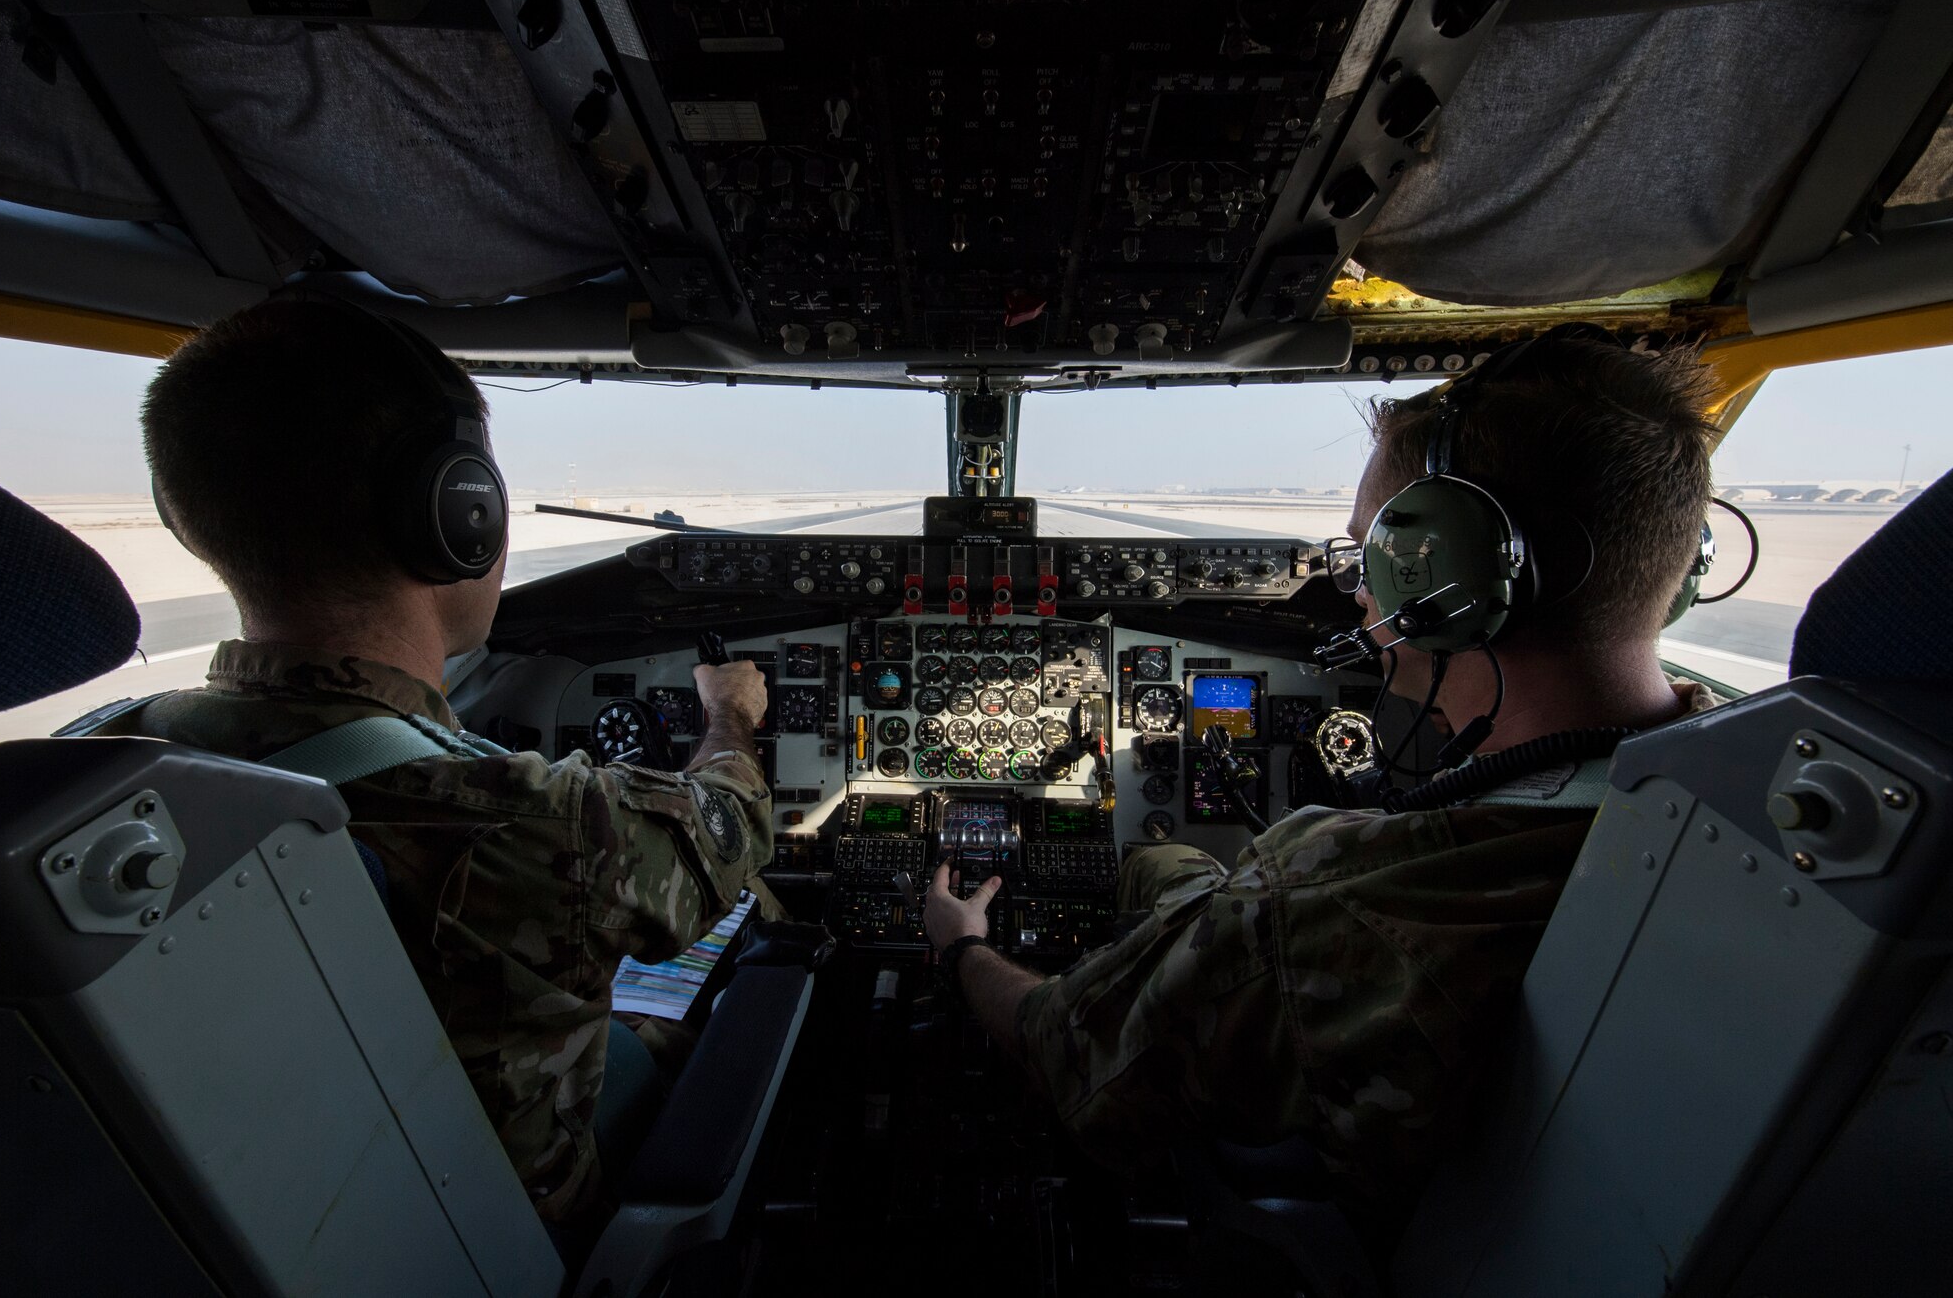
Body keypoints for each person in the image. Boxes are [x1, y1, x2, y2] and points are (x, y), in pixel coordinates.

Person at [925, 332, 1725, 1248]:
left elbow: (1070, 1056)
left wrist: (962, 950)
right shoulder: (1753, 812)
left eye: (1372, 559)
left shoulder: (1336, 899)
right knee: (1159, 858)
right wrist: (1179, 874)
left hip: (1353, 1234)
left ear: (1449, 580)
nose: (1357, 596)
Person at [92, 296, 773, 1226]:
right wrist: (730, 718)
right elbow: (728, 834)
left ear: (189, 516)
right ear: (461, 513)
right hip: (505, 1223)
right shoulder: (521, 825)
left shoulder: (96, 768)